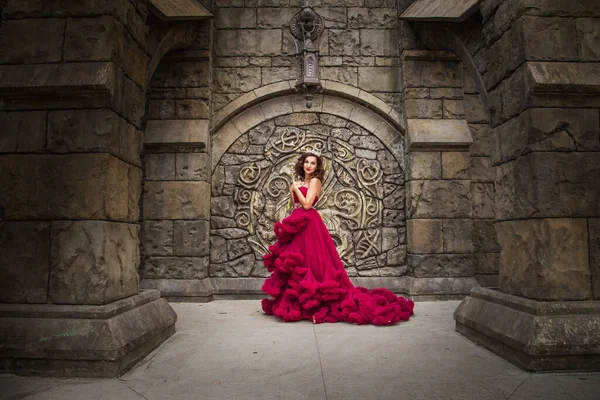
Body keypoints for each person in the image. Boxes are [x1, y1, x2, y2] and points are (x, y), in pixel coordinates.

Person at [261, 152, 414, 325]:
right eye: (306, 162)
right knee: (299, 263)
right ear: (302, 164)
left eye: (313, 163)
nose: (309, 165)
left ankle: (316, 306)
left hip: (309, 223)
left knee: (313, 263)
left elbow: (307, 204)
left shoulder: (315, 181)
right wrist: (293, 191)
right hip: (297, 224)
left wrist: (295, 188)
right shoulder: (301, 182)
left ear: (317, 167)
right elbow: (295, 204)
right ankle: (302, 305)